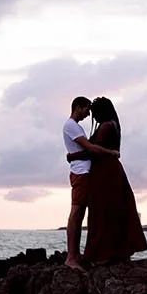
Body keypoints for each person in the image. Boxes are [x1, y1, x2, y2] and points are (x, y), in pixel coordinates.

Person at [67, 96, 147, 264]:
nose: (92, 116)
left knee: (103, 212)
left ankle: (102, 254)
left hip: (105, 172)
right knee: (113, 210)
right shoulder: (112, 125)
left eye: (94, 112)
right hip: (110, 170)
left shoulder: (106, 126)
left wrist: (71, 155)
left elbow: (93, 150)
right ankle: (116, 252)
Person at [62, 96, 119, 271]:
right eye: (87, 109)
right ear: (78, 107)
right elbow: (90, 148)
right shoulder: (71, 126)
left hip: (84, 172)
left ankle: (75, 254)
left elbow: (84, 151)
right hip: (81, 173)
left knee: (80, 213)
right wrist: (111, 153)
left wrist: (71, 156)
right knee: (77, 212)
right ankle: (71, 257)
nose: (89, 114)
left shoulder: (76, 127)